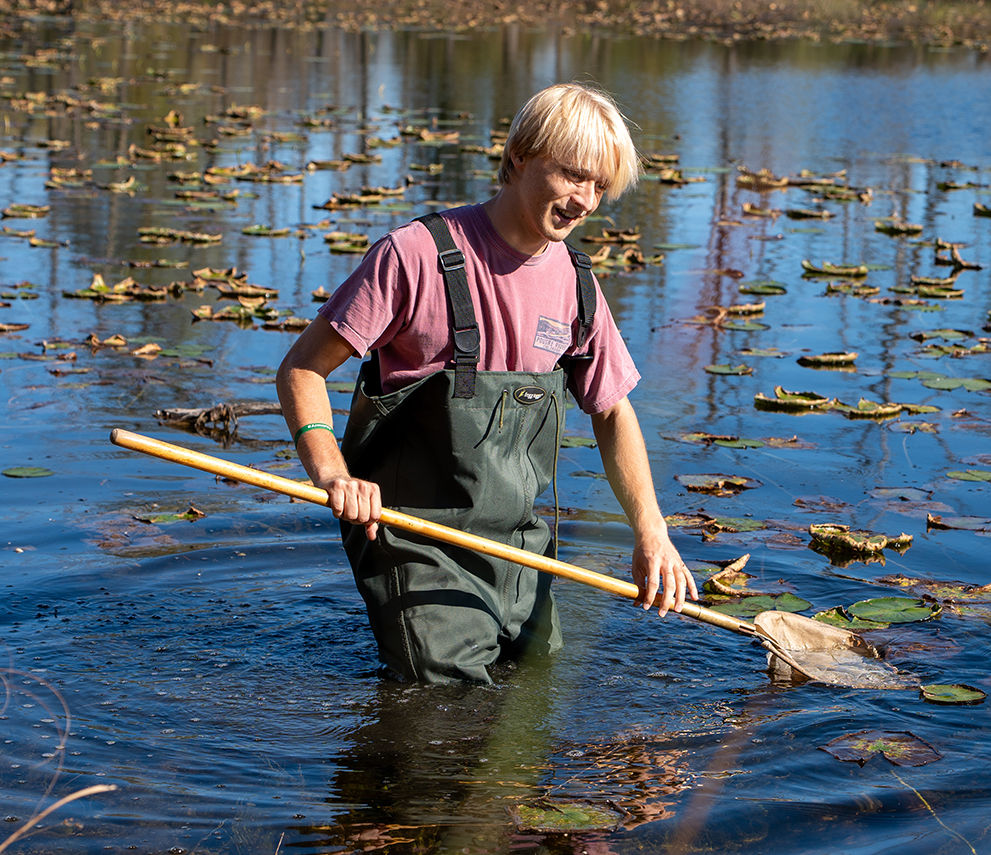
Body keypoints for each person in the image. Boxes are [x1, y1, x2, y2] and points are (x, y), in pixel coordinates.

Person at [275, 82, 696, 684]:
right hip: (411, 539)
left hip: (519, 548)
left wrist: (652, 533)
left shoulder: (578, 284)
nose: (585, 200)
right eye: (574, 175)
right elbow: (302, 369)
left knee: (533, 690)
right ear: (520, 155)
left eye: (600, 186)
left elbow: (612, 411)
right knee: (447, 703)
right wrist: (333, 473)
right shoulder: (414, 256)